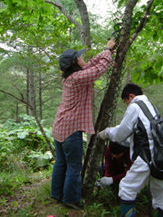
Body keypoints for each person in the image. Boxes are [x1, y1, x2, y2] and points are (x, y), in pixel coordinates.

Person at [51, 38, 116, 210]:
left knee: (61, 162)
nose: (82, 59)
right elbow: (98, 70)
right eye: (79, 57)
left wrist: (105, 51)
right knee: (74, 166)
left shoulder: (71, 76)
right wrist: (107, 52)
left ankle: (57, 193)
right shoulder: (78, 78)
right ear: (74, 62)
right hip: (70, 130)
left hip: (60, 128)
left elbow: (90, 65)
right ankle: (71, 199)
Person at [98, 83, 163, 217]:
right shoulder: (152, 108)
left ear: (131, 96)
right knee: (162, 198)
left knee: (127, 188)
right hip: (162, 158)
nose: (126, 105)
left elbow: (122, 133)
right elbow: (140, 135)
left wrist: (107, 133)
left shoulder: (136, 106)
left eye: (125, 102)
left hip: (146, 157)